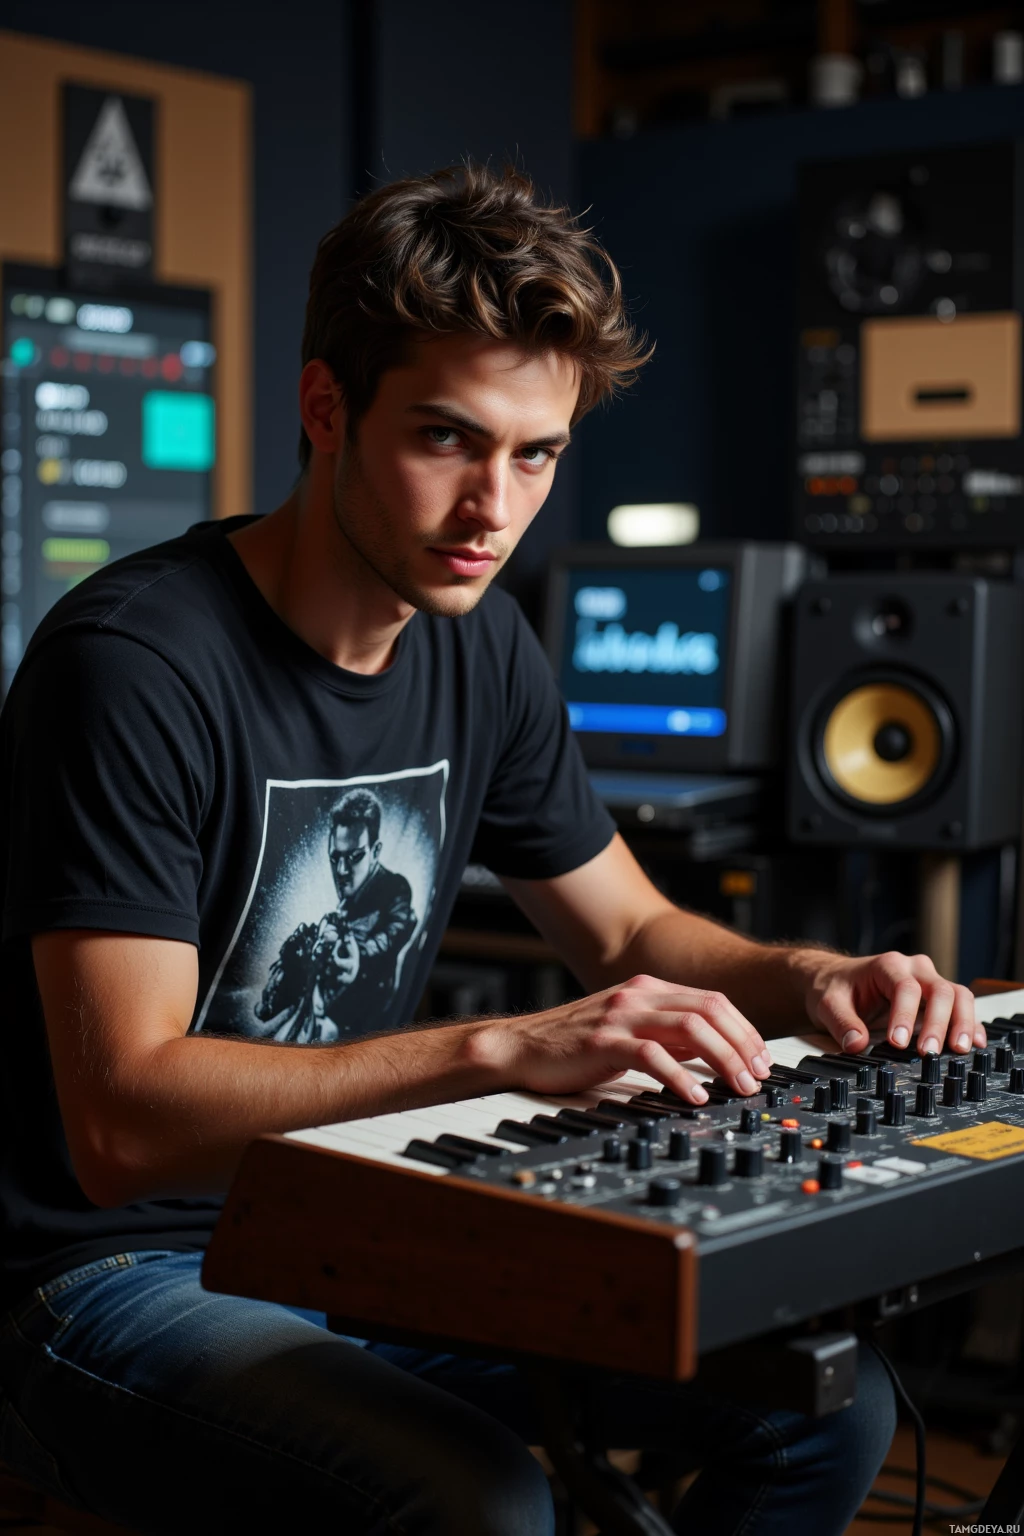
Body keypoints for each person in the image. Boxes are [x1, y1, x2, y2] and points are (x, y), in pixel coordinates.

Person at [0, 163, 981, 1536]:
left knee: (829, 1404)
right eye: (449, 441)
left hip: (346, 1237)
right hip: (96, 1279)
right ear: (324, 409)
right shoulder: (136, 665)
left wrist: (811, 973)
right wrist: (498, 1050)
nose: (494, 510)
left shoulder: (481, 644)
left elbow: (633, 932)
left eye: (537, 455)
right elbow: (120, 1124)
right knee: (480, 1500)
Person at [253, 789, 418, 1042]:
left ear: (375, 852)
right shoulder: (344, 905)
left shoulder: (395, 888)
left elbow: (391, 936)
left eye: (355, 857)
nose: (341, 870)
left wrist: (356, 954)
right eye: (335, 858)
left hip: (365, 1031)